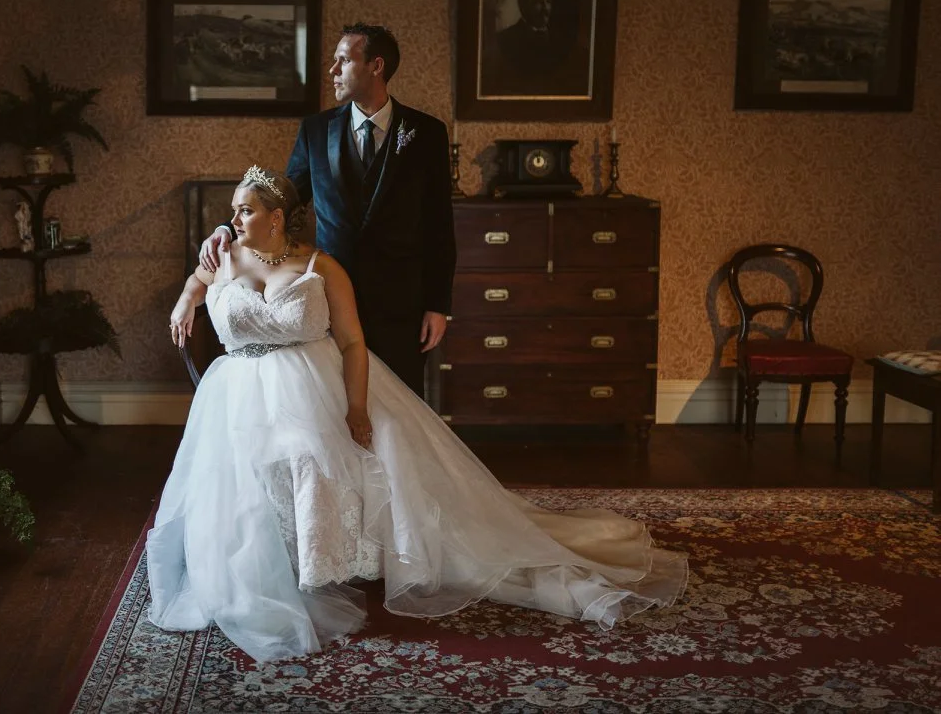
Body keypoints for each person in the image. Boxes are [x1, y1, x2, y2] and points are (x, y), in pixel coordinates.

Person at [152, 166, 688, 664]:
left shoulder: (321, 266)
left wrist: (357, 407)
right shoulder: (220, 255)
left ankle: (329, 562)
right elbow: (197, 286)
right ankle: (263, 567)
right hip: (238, 396)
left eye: (244, 210)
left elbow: (355, 343)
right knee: (242, 481)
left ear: (274, 217)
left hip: (313, 384)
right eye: (232, 210)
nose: (232, 219)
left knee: (332, 455)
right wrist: (184, 301)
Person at [200, 23, 455, 395]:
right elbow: (283, 198)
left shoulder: (426, 133)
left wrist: (437, 304)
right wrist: (228, 227)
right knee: (336, 401)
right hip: (330, 294)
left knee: (401, 402)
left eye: (342, 60)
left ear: (375, 65)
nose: (333, 71)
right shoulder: (316, 130)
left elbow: (439, 224)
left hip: (402, 301)